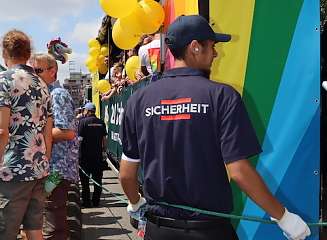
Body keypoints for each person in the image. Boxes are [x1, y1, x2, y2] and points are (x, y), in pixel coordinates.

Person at [119, 15, 311, 240]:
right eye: (212, 46)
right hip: (209, 231)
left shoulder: (138, 100)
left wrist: (135, 202)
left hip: (159, 231)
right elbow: (239, 172)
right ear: (195, 47)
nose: (216, 53)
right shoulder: (222, 96)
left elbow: (126, 174)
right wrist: (284, 217)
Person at [0, 30, 53, 240]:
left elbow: (2, 131)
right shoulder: (42, 85)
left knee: (6, 232)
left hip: (11, 171)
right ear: (28, 53)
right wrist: (44, 162)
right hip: (38, 168)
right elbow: (48, 132)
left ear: (5, 52)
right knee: (34, 230)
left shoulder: (4, 80)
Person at [29, 53, 79, 239]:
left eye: (38, 71)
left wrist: (31, 136)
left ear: (53, 72)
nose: (33, 75)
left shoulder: (56, 94)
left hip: (57, 170)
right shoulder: (45, 94)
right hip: (52, 169)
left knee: (52, 224)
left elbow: (67, 132)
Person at [78, 102, 107, 207]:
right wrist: (104, 151)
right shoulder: (101, 122)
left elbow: (79, 140)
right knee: (97, 180)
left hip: (84, 157)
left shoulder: (82, 122)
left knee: (85, 182)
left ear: (87, 111)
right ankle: (96, 201)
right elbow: (104, 139)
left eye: (84, 110)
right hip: (97, 156)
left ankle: (86, 202)